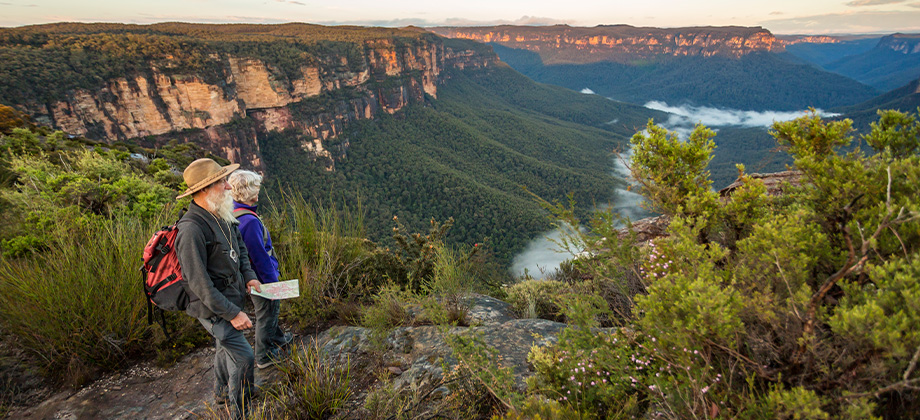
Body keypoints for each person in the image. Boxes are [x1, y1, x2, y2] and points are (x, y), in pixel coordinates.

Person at [174, 158, 262, 420]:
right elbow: (199, 284)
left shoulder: (222, 212)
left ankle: (222, 393)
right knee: (245, 356)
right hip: (213, 309)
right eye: (221, 182)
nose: (228, 187)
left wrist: (249, 277)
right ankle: (240, 412)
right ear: (203, 190)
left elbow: (241, 248)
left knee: (225, 347)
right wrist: (233, 314)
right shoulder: (190, 230)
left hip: (230, 297)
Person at [228, 169, 293, 369]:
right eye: (256, 187)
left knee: (269, 311)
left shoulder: (232, 211)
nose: (259, 190)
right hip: (261, 279)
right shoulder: (249, 221)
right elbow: (258, 255)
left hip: (249, 277)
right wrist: (272, 281)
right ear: (250, 192)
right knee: (267, 312)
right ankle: (265, 355)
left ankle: (280, 340)